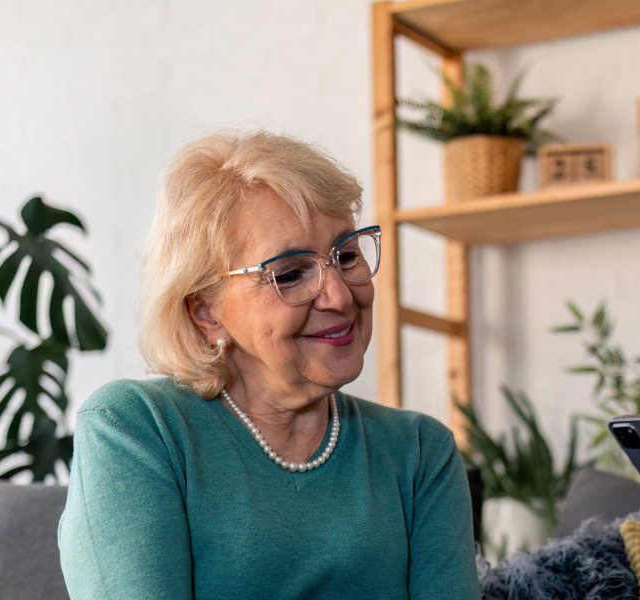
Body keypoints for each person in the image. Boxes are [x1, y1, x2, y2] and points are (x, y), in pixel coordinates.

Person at [57, 131, 479, 598]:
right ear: (206, 310)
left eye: (347, 255)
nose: (340, 297)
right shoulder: (137, 429)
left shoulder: (420, 453)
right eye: (291, 273)